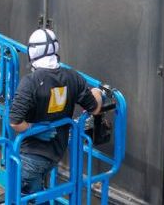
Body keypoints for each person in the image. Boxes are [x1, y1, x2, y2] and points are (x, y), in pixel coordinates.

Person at [9, 28, 103, 197]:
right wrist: (98, 92)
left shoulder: (30, 82)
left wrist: (33, 128)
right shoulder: (73, 78)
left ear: (31, 52)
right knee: (36, 195)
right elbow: (95, 107)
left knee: (25, 196)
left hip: (30, 158)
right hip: (55, 154)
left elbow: (15, 122)